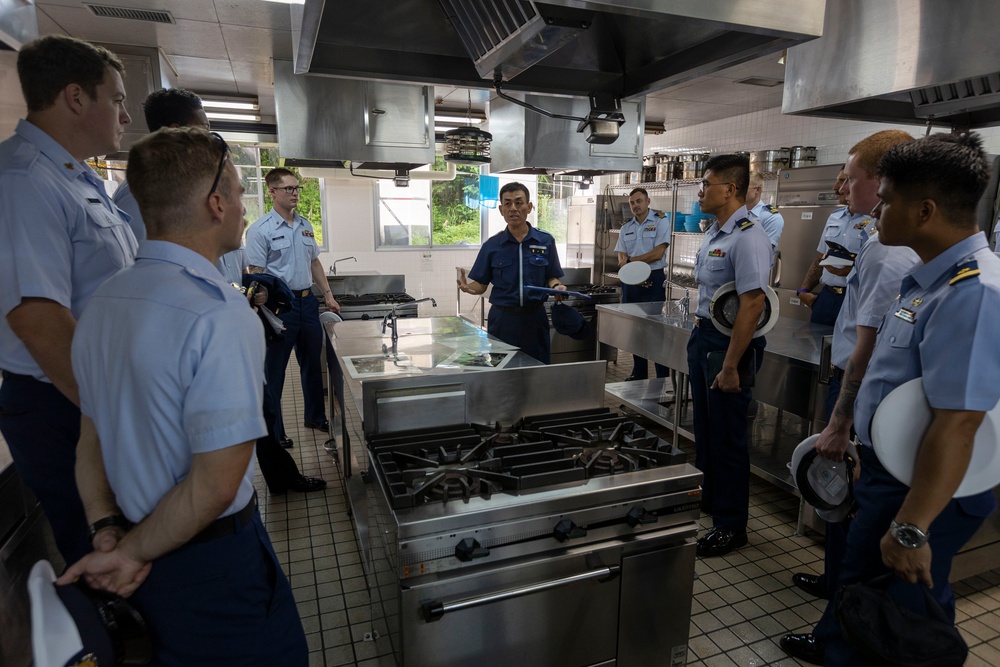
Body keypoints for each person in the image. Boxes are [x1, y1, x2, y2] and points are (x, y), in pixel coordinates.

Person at [58, 127, 308, 665]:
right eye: (241, 195)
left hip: (136, 546)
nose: (245, 210)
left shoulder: (103, 302)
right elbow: (216, 485)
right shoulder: (217, 314)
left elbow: (90, 439)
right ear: (216, 203)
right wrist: (127, 553)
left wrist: (108, 532)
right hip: (211, 560)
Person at [785, 132, 1000, 667]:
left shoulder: (972, 293)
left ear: (924, 210)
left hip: (922, 490)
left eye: (887, 198)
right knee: (886, 606)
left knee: (888, 618)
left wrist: (911, 526)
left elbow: (959, 425)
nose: (876, 208)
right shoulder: (925, 281)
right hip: (892, 472)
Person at [0, 35, 136, 565]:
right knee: (105, 550)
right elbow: (37, 317)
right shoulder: (23, 180)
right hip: (64, 400)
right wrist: (119, 410)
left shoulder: (76, 178)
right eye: (118, 99)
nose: (124, 115)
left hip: (91, 390)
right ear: (77, 98)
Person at [781, 132, 916, 641]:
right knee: (847, 506)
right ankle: (835, 580)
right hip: (866, 392)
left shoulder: (888, 253)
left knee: (854, 507)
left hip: (865, 394)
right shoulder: (880, 243)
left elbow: (868, 345)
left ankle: (833, 627)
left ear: (882, 184)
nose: (844, 187)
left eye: (853, 178)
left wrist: (841, 417)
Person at [686, 154, 773, 558]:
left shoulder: (748, 235)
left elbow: (753, 304)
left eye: (707, 184)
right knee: (705, 429)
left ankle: (731, 526)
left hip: (727, 349)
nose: (701, 191)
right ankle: (711, 498)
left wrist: (731, 365)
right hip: (704, 338)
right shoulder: (715, 233)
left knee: (728, 438)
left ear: (731, 189)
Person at [246, 168, 339, 447]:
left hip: (307, 302)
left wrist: (328, 295)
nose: (295, 193)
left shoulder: (305, 225)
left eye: (297, 188)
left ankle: (315, 416)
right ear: (272, 192)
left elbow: (314, 263)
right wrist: (260, 296)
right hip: (279, 307)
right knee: (275, 370)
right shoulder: (260, 230)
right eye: (288, 188)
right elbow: (256, 272)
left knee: (313, 363)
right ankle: (276, 431)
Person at [457, 182, 567, 363]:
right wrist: (468, 288)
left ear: (529, 207)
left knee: (537, 370)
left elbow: (551, 276)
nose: (513, 208)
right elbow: (481, 284)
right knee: (502, 372)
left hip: (535, 319)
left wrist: (557, 286)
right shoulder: (492, 246)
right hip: (503, 320)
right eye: (507, 204)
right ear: (501, 209)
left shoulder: (545, 241)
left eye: (519, 202)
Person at [113, 88, 210, 242]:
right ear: (176, 131)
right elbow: (139, 256)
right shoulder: (140, 192)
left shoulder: (178, 183)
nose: (208, 138)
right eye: (204, 129)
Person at [795, 162, 886, 326]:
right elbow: (821, 257)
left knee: (847, 349)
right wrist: (803, 290)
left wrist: (852, 271)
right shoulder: (835, 216)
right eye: (839, 181)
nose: (837, 187)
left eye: (845, 180)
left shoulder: (877, 219)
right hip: (826, 297)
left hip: (854, 297)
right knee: (816, 349)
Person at [615, 187, 670, 381]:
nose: (635, 205)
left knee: (655, 329)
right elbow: (621, 254)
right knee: (635, 328)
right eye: (632, 203)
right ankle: (639, 372)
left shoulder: (661, 221)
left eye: (639, 201)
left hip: (653, 280)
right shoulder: (626, 227)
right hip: (630, 281)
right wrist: (625, 262)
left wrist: (631, 261)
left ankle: (663, 375)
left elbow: (658, 253)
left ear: (648, 201)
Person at [745, 171, 784, 248]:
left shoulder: (771, 217)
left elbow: (763, 250)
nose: (739, 192)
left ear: (758, 190)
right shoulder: (736, 213)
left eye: (745, 188)